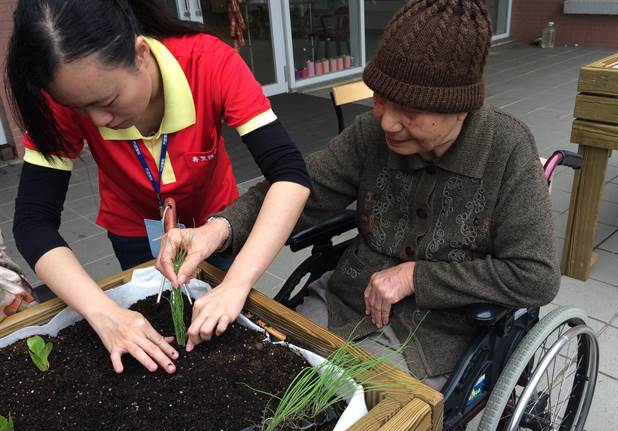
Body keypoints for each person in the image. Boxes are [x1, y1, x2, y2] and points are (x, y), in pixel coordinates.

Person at [160, 0, 561, 388]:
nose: (386, 120)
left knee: (353, 420)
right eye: (381, 97)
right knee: (268, 367)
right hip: (346, 300)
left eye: (410, 110)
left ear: (460, 108)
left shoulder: (506, 149)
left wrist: (416, 277)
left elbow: (535, 276)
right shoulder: (370, 136)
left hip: (434, 331)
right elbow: (298, 189)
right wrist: (217, 230)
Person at [7, 0, 311, 375]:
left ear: (140, 51)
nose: (99, 121)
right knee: (149, 313)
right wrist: (105, 314)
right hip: (132, 225)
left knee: (219, 310)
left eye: (108, 102)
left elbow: (290, 174)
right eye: (81, 109)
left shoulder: (209, 61)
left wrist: (236, 284)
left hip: (212, 224)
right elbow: (33, 223)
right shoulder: (69, 95)